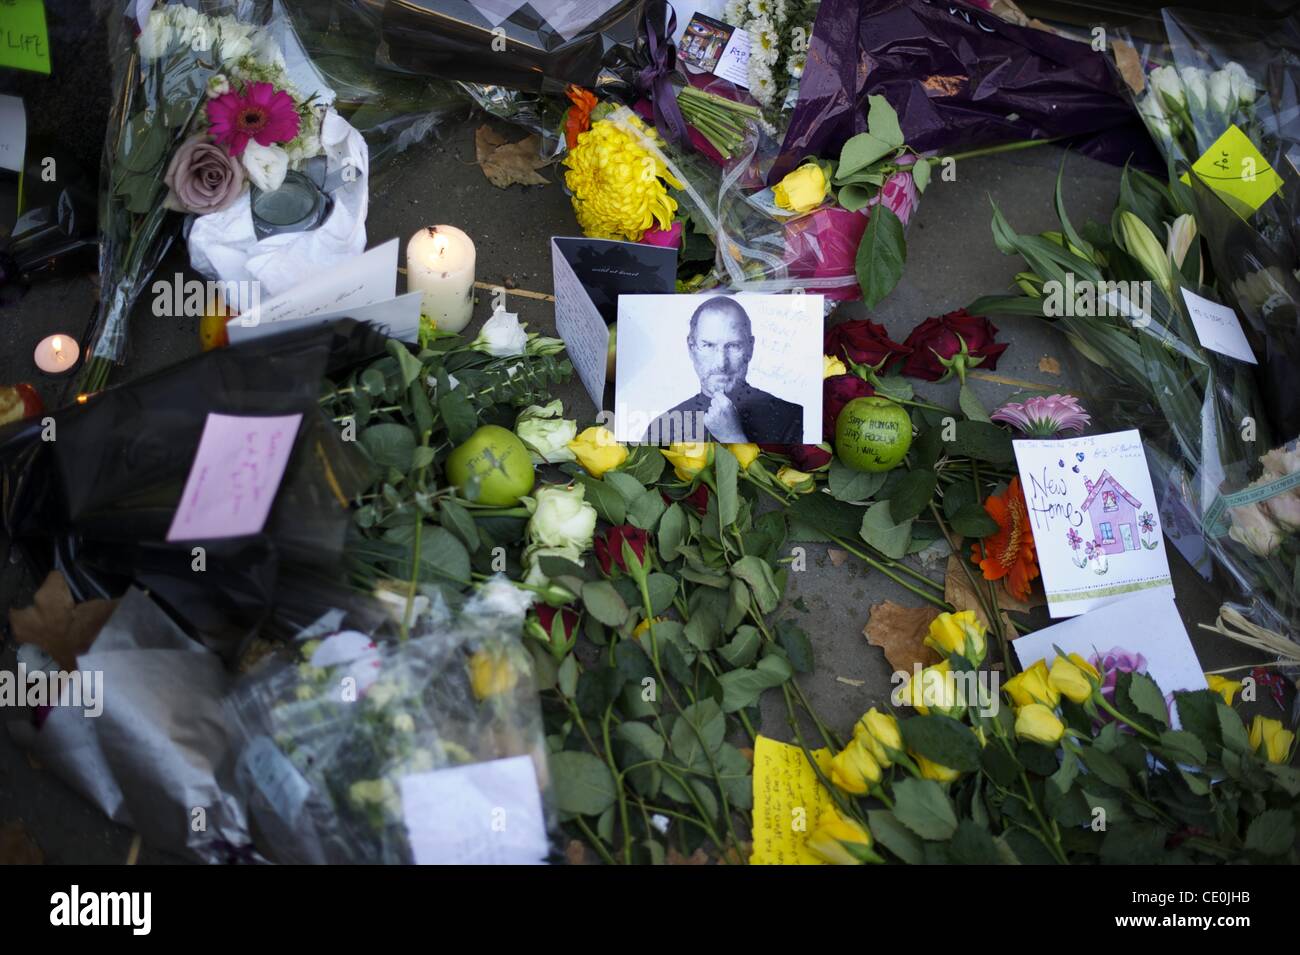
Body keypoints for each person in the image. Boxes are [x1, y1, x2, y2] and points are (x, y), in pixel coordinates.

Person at [643, 297, 803, 444]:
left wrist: (733, 438)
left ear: (750, 348)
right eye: (709, 346)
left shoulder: (791, 418)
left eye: (733, 346)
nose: (721, 363)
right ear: (691, 349)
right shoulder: (662, 427)